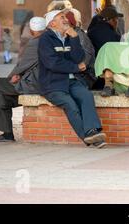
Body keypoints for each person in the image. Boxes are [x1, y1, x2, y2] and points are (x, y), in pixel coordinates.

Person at [38, 10, 107, 148]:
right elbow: (52, 63)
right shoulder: (45, 39)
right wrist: (75, 67)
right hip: (53, 85)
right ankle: (88, 136)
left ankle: (92, 131)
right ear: (52, 23)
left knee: (87, 96)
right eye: (61, 17)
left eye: (65, 17)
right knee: (70, 105)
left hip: (72, 81)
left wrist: (75, 38)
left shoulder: (70, 37)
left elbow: (79, 58)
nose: (66, 19)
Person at [65, 9, 97, 89]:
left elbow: (83, 64)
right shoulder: (65, 36)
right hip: (73, 74)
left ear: (70, 24)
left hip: (85, 77)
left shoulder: (80, 36)